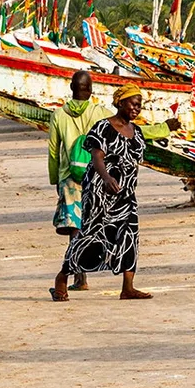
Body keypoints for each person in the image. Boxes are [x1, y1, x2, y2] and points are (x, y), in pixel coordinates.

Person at [55, 88, 152, 301]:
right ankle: (63, 277)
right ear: (119, 103)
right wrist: (107, 178)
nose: (136, 108)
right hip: (100, 192)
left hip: (125, 194)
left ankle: (128, 287)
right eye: (133, 104)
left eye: (139, 105)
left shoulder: (137, 131)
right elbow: (97, 157)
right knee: (90, 235)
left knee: (129, 236)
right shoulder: (103, 127)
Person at [46, 71, 105, 290]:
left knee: (75, 228)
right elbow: (124, 128)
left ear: (71, 88)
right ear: (90, 90)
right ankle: (85, 272)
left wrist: (55, 179)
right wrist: (164, 128)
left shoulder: (59, 115)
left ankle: (80, 278)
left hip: (68, 178)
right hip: (94, 174)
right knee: (90, 224)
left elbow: (54, 151)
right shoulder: (99, 113)